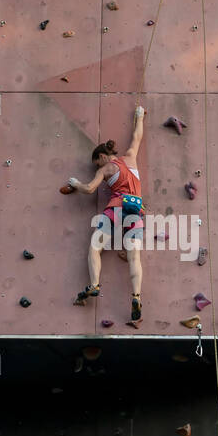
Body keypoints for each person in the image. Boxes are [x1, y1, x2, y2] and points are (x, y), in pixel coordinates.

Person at [65, 105, 146, 324]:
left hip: (115, 209)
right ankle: (136, 295)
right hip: (136, 211)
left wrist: (76, 183)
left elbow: (90, 188)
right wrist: (139, 115)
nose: (96, 168)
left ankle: (94, 284)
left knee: (95, 248)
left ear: (102, 156)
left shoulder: (105, 170)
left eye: (96, 163)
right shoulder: (130, 157)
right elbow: (137, 136)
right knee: (134, 257)